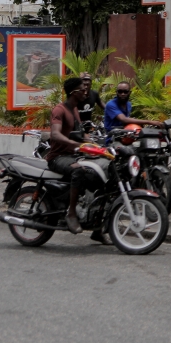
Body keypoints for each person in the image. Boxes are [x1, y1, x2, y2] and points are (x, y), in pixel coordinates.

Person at [46, 78, 102, 239]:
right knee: (79, 171)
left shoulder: (75, 109)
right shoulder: (60, 110)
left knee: (100, 175)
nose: (86, 92)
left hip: (73, 155)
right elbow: (55, 134)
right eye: (82, 90)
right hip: (57, 157)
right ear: (73, 92)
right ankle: (71, 213)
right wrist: (73, 143)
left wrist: (95, 143)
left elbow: (81, 133)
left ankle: (98, 227)